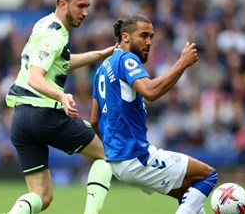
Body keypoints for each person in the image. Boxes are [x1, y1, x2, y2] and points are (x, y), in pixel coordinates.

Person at [4, 0, 113, 214]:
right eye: (80, 6)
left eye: (87, 7)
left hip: (21, 119)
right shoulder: (55, 35)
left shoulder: (45, 24)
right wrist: (60, 95)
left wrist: (100, 54)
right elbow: (35, 77)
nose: (85, 12)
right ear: (63, 4)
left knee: (41, 196)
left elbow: (60, 62)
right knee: (106, 154)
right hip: (44, 113)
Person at [91, 14, 218, 214]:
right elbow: (150, 91)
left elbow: (94, 120)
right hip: (136, 156)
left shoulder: (102, 69)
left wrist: (113, 149)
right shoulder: (126, 59)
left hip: (119, 160)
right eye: (143, 35)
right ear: (125, 37)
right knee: (208, 176)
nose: (149, 42)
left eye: (151, 36)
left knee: (190, 194)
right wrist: (182, 62)